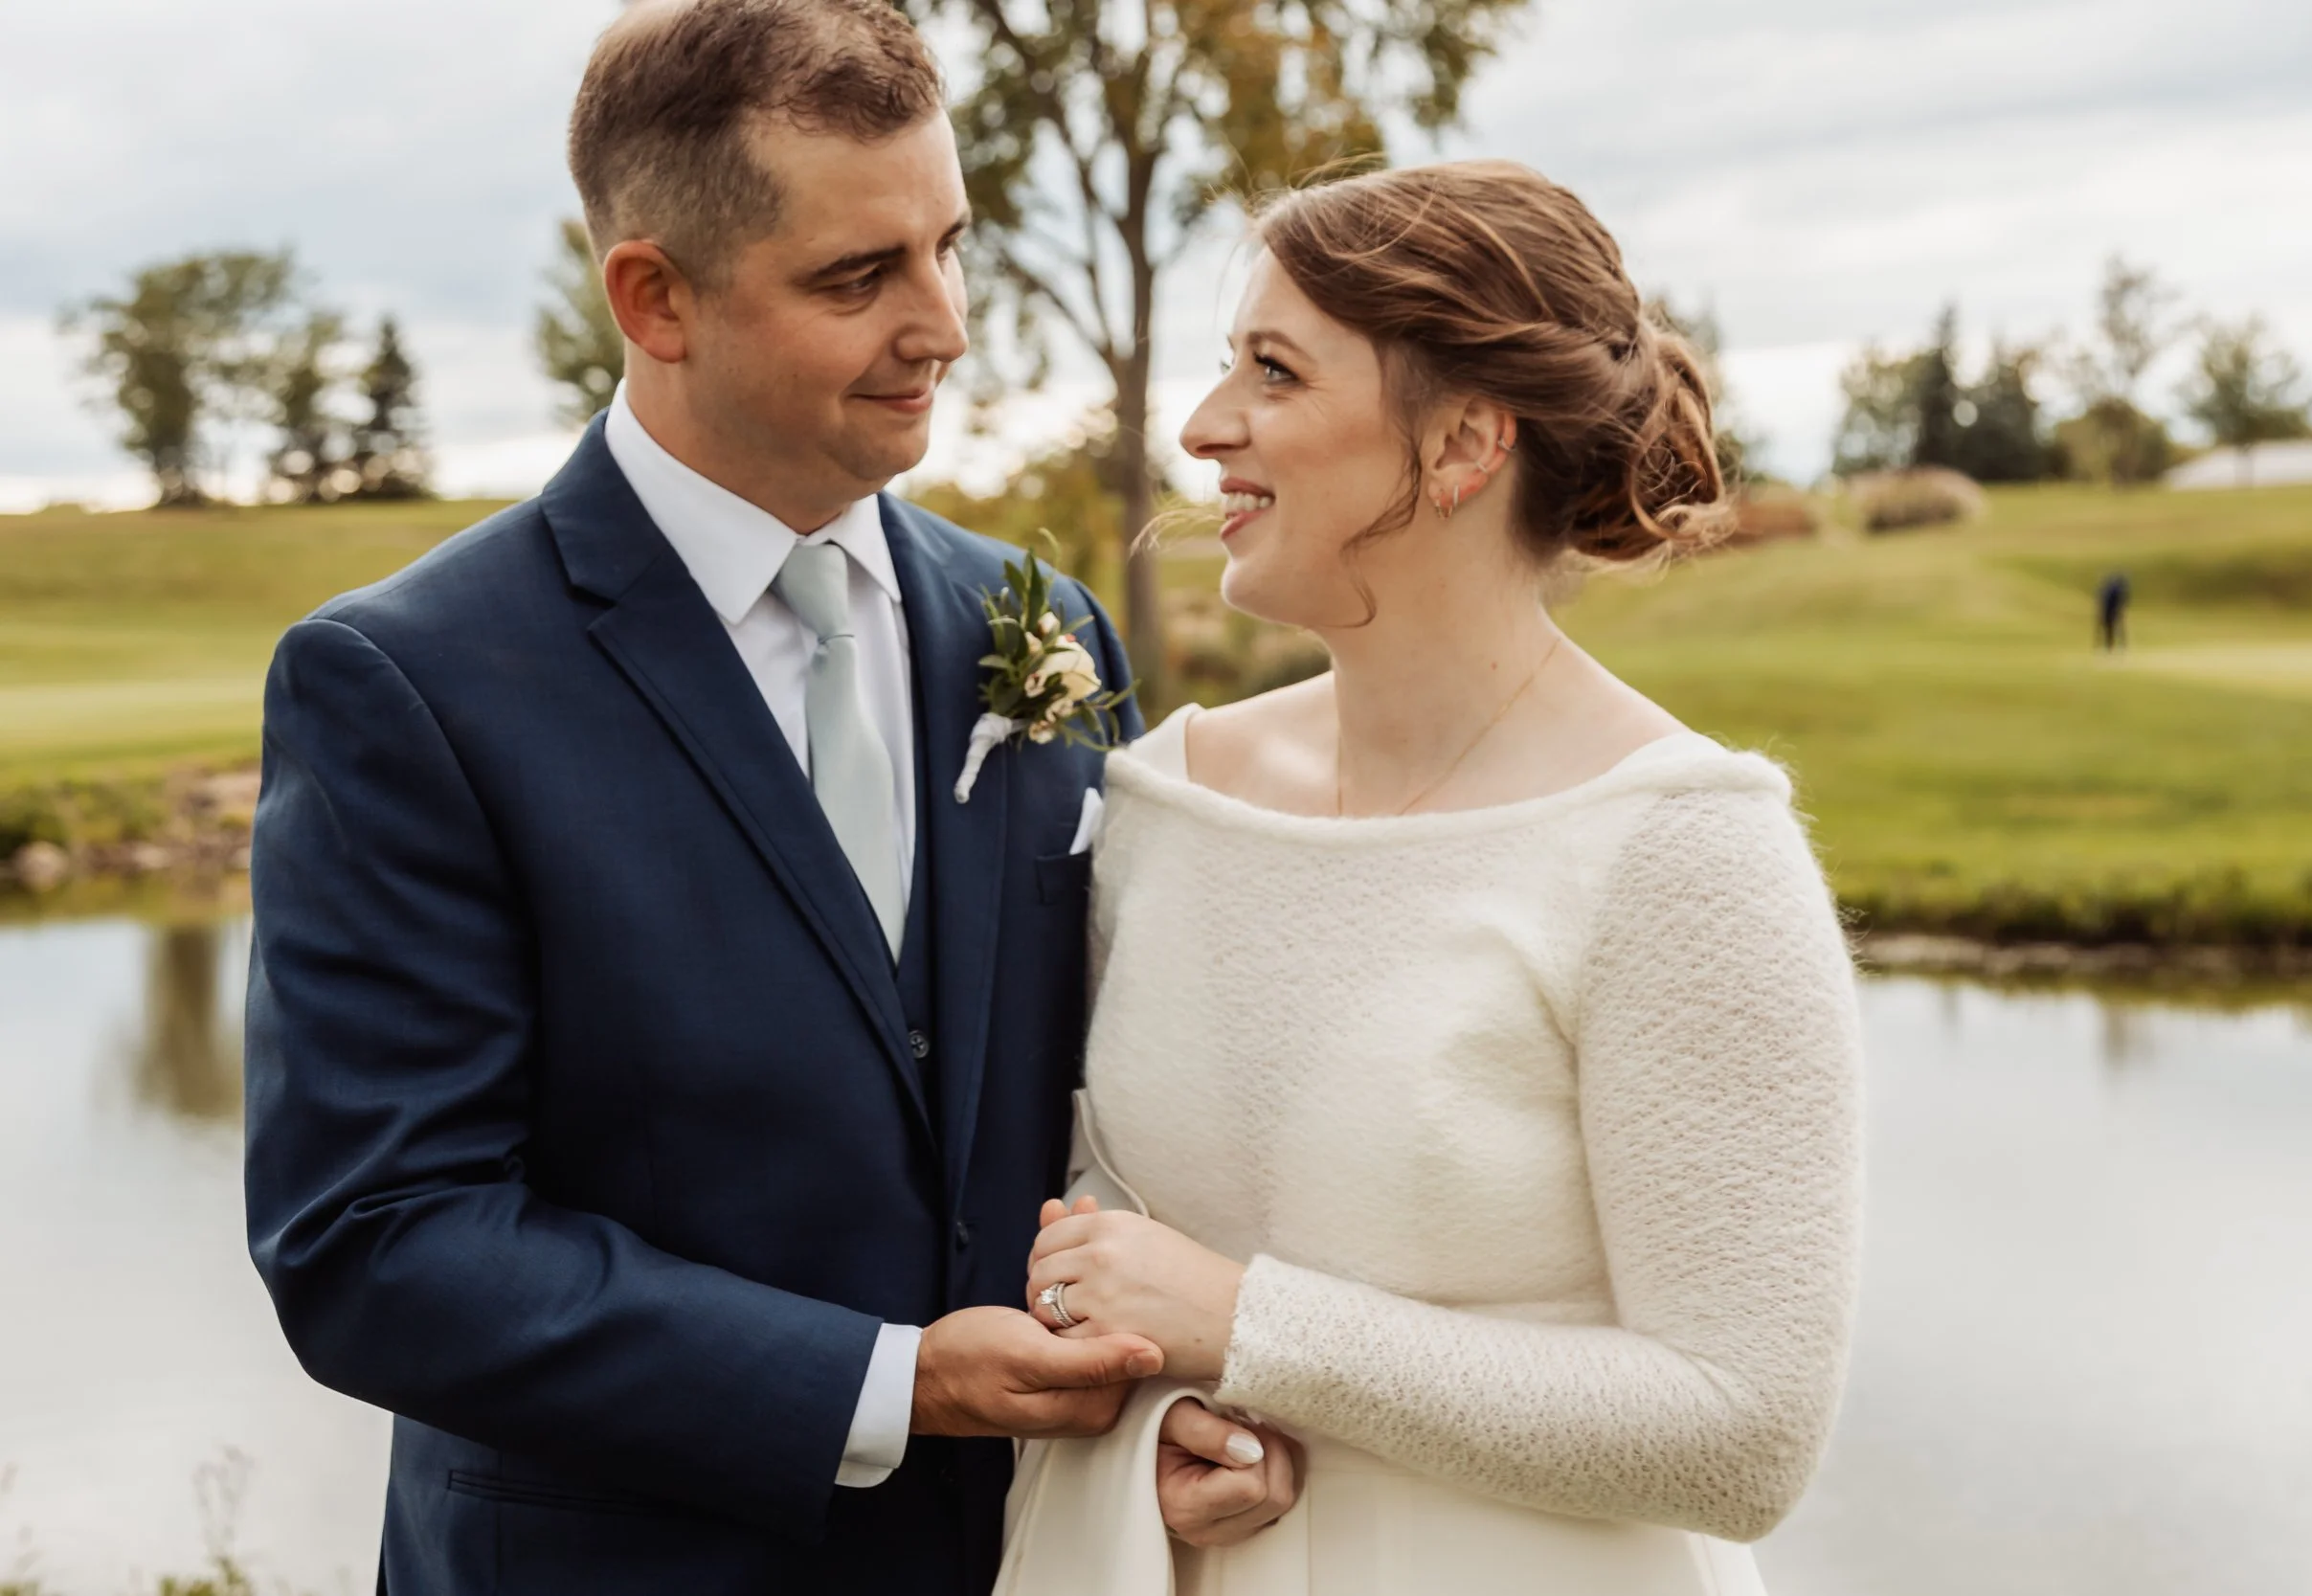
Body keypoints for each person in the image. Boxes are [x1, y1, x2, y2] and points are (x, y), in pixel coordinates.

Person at [241, 3, 1291, 1591]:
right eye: (858, 277)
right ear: (654, 297)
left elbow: (1126, 1094)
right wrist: (890, 1384)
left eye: (950, 246)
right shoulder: (410, 686)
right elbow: (381, 1243)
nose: (943, 324)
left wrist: (1180, 1399)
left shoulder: (1039, 628)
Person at [996, 162, 1866, 1595]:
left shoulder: (1683, 851)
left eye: (1273, 373)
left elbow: (1743, 1431)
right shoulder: (1169, 791)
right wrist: (1171, 1421)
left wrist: (1254, 1328)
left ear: (1462, 443)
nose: (1209, 427)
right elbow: (1109, 1240)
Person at [2099, 571, 2130, 650]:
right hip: (2112, 611)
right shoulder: (2117, 590)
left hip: (2109, 612)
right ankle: (2119, 646)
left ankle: (2113, 646)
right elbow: (2121, 602)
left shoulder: (2109, 589)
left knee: (2112, 629)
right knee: (2116, 628)